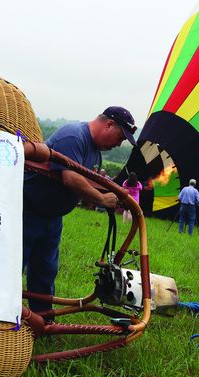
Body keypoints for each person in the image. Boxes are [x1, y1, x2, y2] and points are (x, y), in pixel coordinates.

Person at [23, 106, 137, 314]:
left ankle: (43, 319)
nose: (118, 144)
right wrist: (102, 198)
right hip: (27, 212)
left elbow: (90, 181)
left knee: (45, 272)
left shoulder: (95, 152)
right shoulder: (74, 136)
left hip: (51, 218)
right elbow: (71, 177)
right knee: (12, 267)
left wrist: (117, 195)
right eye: (120, 137)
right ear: (109, 124)